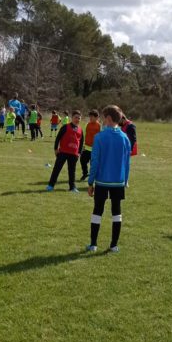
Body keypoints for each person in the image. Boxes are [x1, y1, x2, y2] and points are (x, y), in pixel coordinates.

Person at [86, 105, 131, 253]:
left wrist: (90, 182)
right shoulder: (125, 138)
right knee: (116, 212)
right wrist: (125, 180)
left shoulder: (99, 137)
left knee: (97, 211)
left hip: (102, 181)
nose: (103, 120)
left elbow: (95, 162)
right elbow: (127, 162)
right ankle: (114, 245)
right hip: (118, 182)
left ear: (109, 118)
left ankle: (93, 244)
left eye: (104, 118)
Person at [46, 111, 84, 192]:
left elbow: (81, 142)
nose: (77, 119)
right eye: (76, 117)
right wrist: (56, 149)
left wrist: (79, 153)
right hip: (63, 152)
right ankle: (50, 185)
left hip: (74, 154)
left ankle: (72, 187)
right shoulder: (65, 127)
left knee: (72, 171)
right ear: (72, 118)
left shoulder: (80, 130)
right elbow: (58, 138)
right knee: (57, 169)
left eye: (79, 118)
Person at [79, 109, 101, 181]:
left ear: (96, 117)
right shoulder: (87, 124)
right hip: (86, 148)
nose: (90, 118)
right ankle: (85, 173)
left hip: (95, 149)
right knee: (82, 161)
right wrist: (83, 145)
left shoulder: (99, 126)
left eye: (92, 117)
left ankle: (93, 177)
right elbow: (85, 135)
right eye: (90, 116)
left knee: (93, 164)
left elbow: (101, 138)